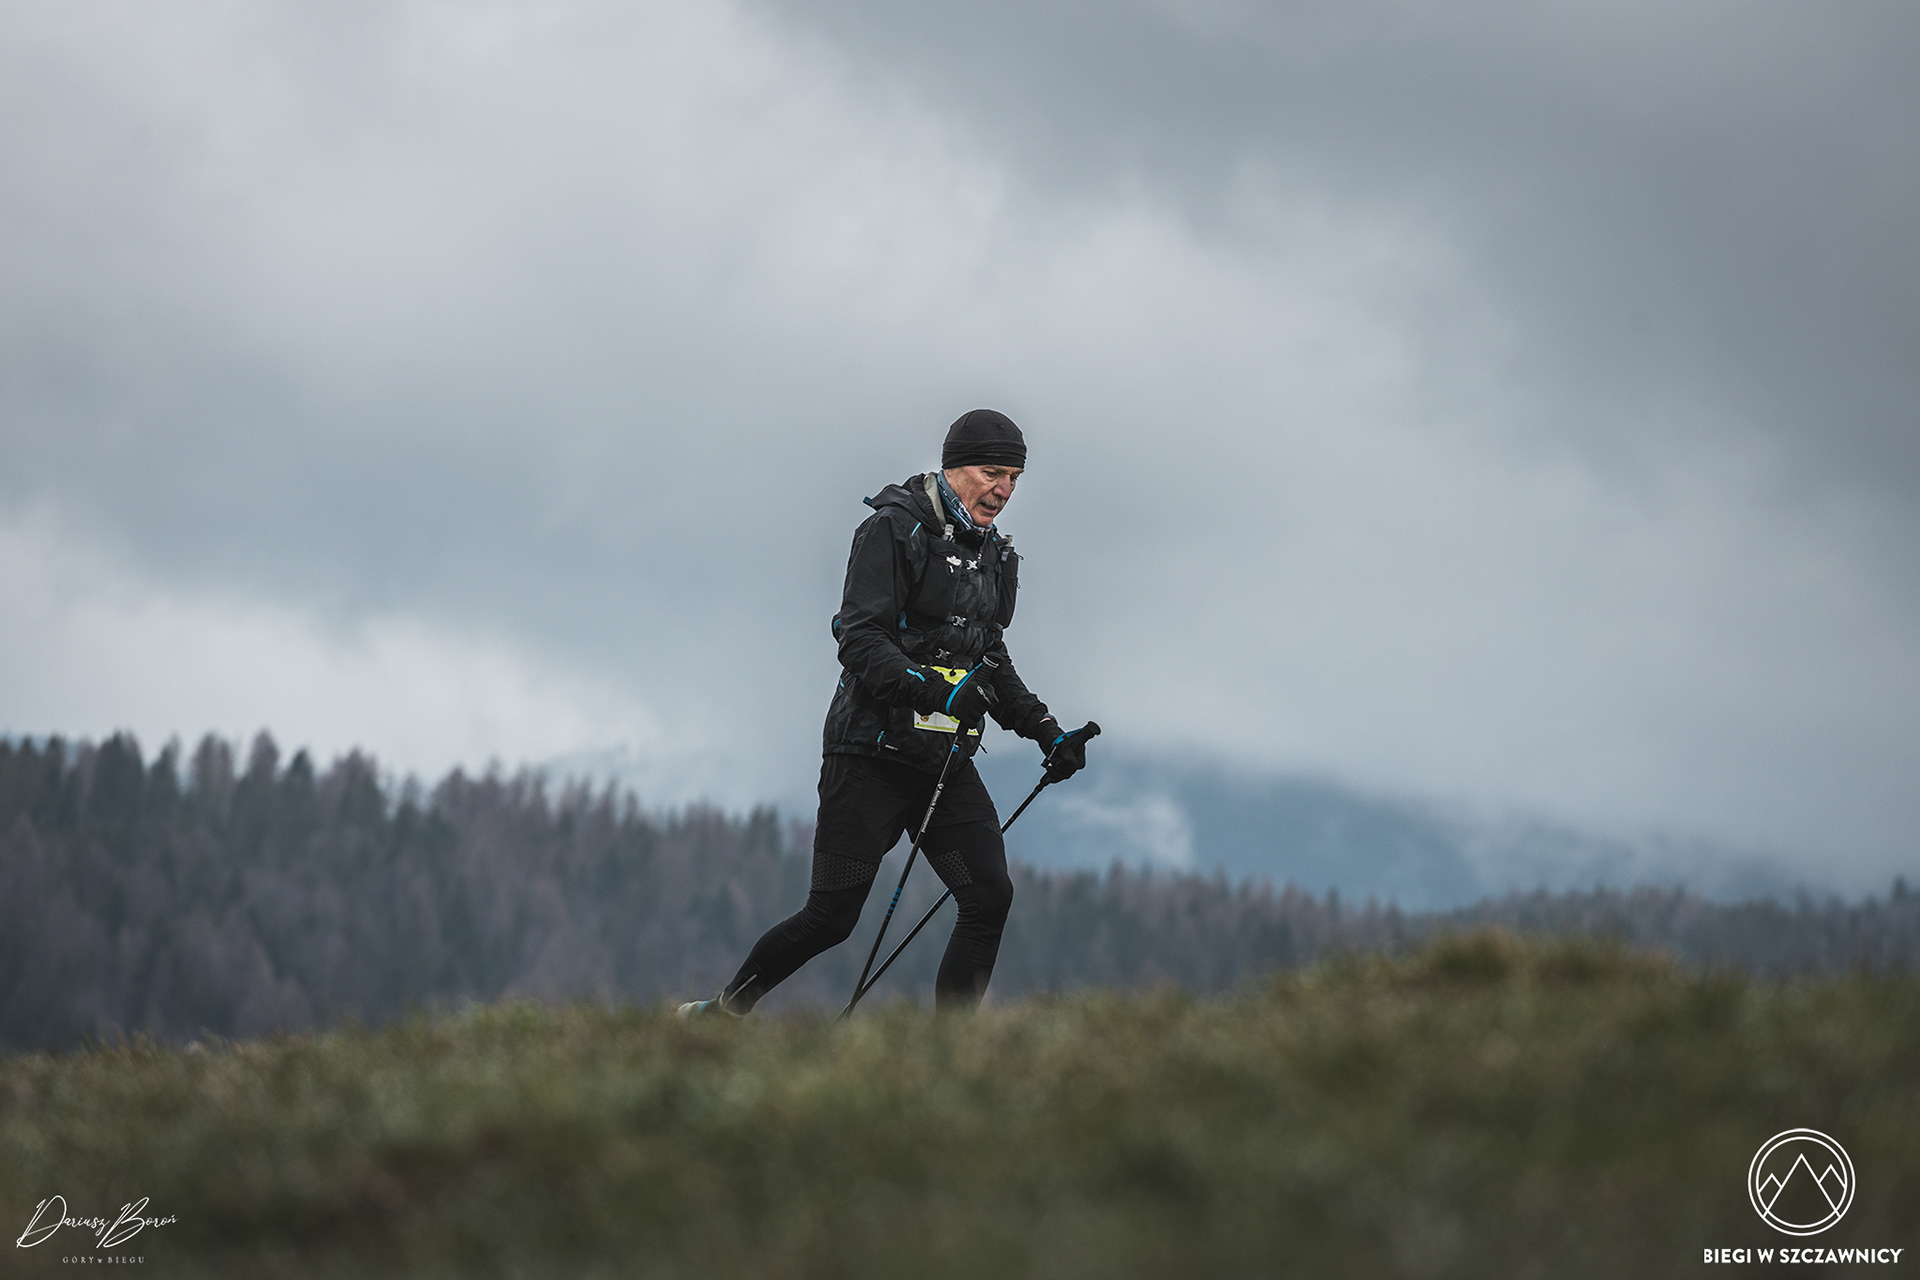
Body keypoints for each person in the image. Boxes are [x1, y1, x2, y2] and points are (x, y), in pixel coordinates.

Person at [680, 408, 1092, 1017]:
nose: (1003, 490)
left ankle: (949, 1056)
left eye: (1014, 478)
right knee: (830, 918)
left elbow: (989, 658)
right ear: (954, 467)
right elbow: (860, 639)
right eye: (991, 473)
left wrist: (1046, 732)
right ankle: (719, 1015)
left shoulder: (994, 555)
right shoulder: (892, 530)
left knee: (989, 897)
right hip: (868, 753)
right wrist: (936, 692)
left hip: (943, 759)